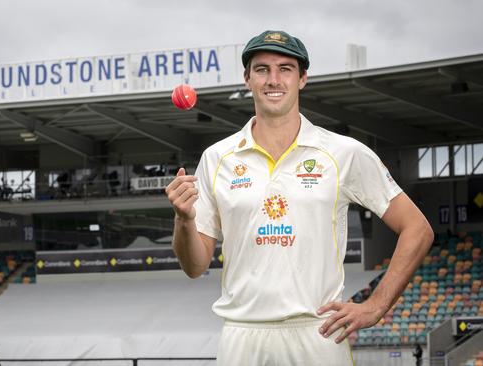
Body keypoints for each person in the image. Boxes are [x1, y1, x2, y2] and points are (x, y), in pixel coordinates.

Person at [165, 30, 434, 365]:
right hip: (242, 335)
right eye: (262, 69)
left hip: (317, 333)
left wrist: (376, 306)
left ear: (303, 78)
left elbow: (417, 229)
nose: (273, 79)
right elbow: (195, 266)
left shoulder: (343, 153)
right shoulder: (217, 157)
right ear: (247, 78)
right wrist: (184, 219)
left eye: (285, 69)